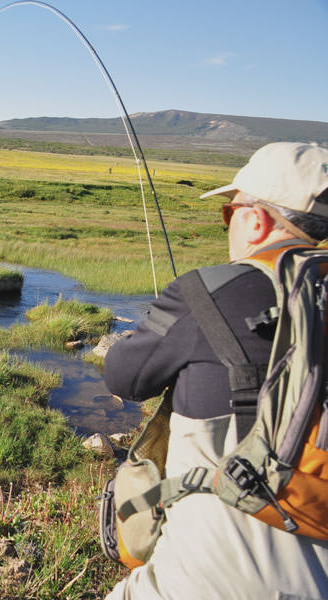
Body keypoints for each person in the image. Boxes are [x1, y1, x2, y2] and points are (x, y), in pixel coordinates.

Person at [103, 142, 328, 599]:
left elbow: (124, 378)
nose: (228, 225)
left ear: (257, 219)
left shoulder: (207, 291)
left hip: (214, 574)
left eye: (229, 212)